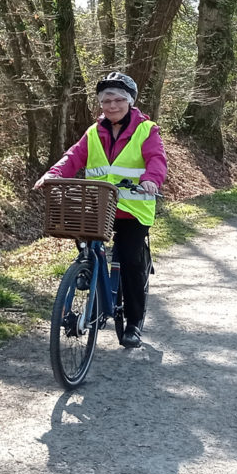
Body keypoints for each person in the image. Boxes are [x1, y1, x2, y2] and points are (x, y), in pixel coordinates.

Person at [33, 72, 166, 349]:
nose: (112, 106)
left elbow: (156, 159)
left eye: (118, 100)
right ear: (100, 104)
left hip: (133, 208)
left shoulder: (146, 130)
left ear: (130, 102)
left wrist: (151, 180)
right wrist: (52, 174)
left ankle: (133, 323)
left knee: (130, 260)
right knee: (88, 248)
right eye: (106, 101)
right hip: (99, 206)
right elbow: (74, 157)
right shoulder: (94, 132)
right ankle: (91, 278)